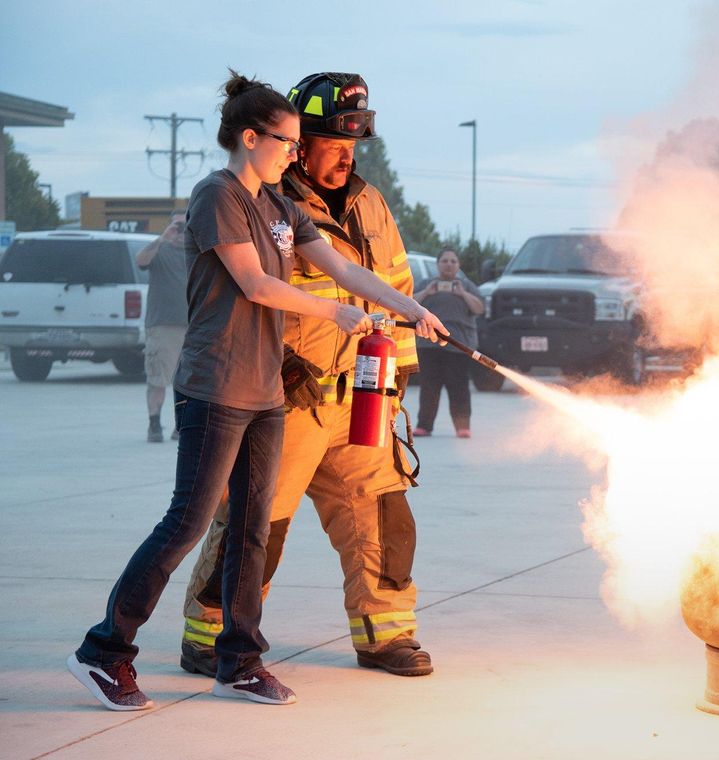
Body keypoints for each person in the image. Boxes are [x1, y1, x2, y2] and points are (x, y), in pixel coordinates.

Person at [67, 70, 445, 712]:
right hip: (231, 386)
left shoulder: (290, 207)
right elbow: (255, 284)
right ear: (253, 138)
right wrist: (341, 317)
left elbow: (350, 268)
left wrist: (409, 311)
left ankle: (245, 660)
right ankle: (112, 649)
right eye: (300, 141)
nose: (308, 153)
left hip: (321, 395)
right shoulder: (218, 195)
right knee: (200, 523)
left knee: (294, 524)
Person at [179, 72, 434, 679]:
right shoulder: (262, 203)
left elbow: (392, 284)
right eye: (329, 143)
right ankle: (208, 633)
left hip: (361, 400)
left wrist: (395, 378)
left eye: (354, 146)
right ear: (296, 139)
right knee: (254, 523)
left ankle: (385, 635)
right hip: (287, 397)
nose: (345, 156)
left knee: (383, 514)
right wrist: (287, 364)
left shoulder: (370, 203)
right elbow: (250, 295)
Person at [413, 249, 484, 438]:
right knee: (429, 388)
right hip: (428, 345)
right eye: (445, 261)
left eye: (453, 261)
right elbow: (411, 305)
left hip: (459, 346)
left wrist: (462, 294)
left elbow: (479, 308)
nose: (449, 264)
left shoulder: (467, 286)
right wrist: (427, 292)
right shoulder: (426, 284)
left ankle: (463, 427)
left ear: (458, 265)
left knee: (459, 387)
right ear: (438, 264)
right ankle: (424, 426)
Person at [135, 212, 188, 442]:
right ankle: (154, 425)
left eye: (185, 226)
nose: (180, 231)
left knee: (188, 382)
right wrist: (162, 238)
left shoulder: (196, 253)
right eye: (176, 225)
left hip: (193, 327)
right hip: (162, 326)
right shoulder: (160, 250)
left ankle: (182, 425)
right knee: (157, 378)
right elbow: (141, 260)